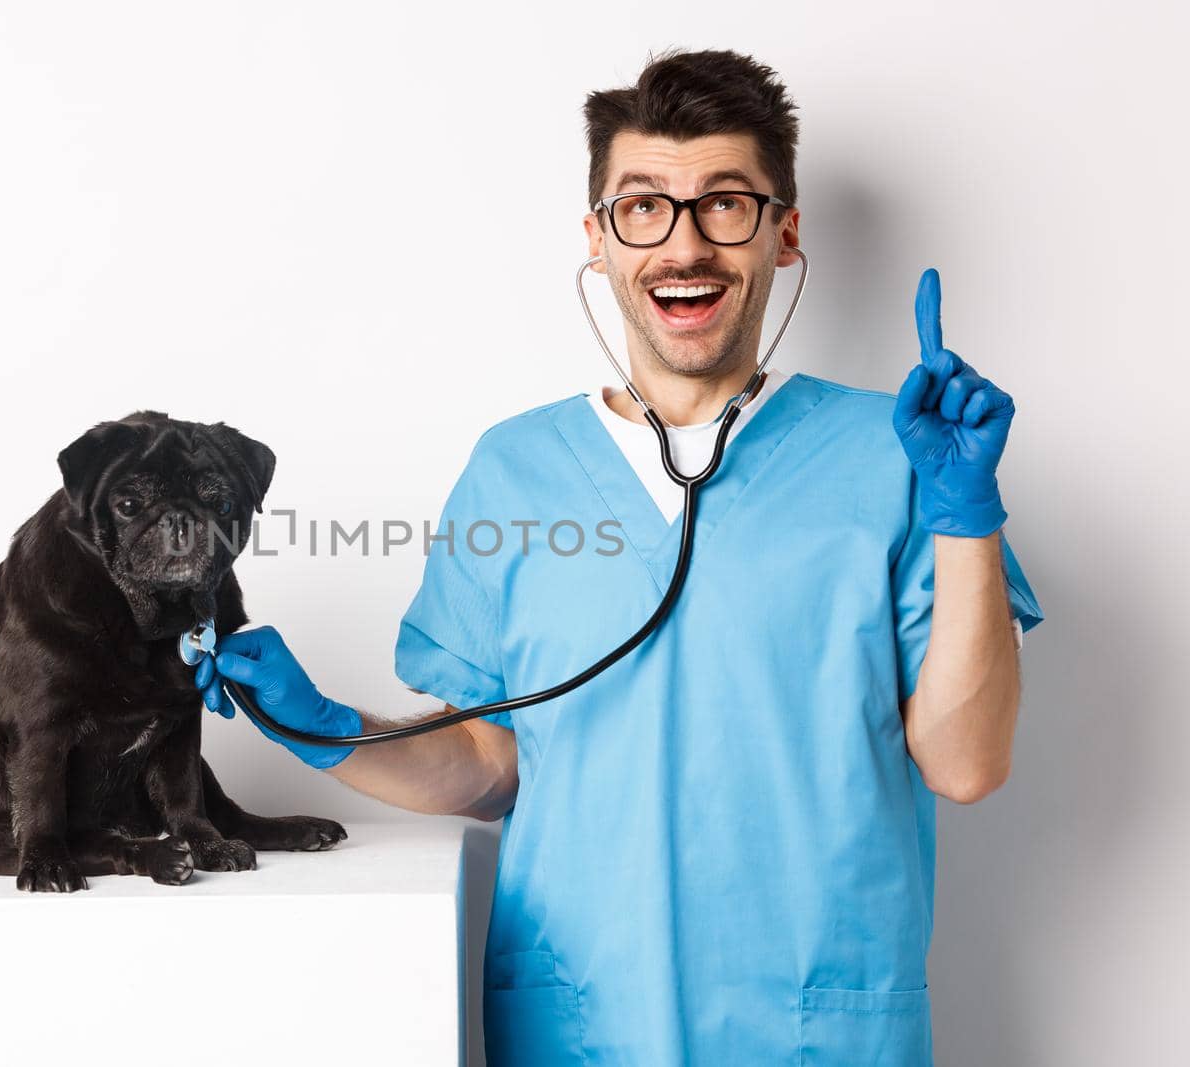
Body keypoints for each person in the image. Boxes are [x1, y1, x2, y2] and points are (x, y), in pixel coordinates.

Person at [196, 48, 1042, 1066]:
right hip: (584, 1026)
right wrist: (325, 729)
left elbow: (964, 763)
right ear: (598, 240)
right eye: (643, 208)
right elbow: (488, 762)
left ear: (784, 232)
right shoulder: (515, 472)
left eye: (725, 204)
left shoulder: (897, 457)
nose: (683, 245)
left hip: (821, 1028)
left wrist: (965, 512)